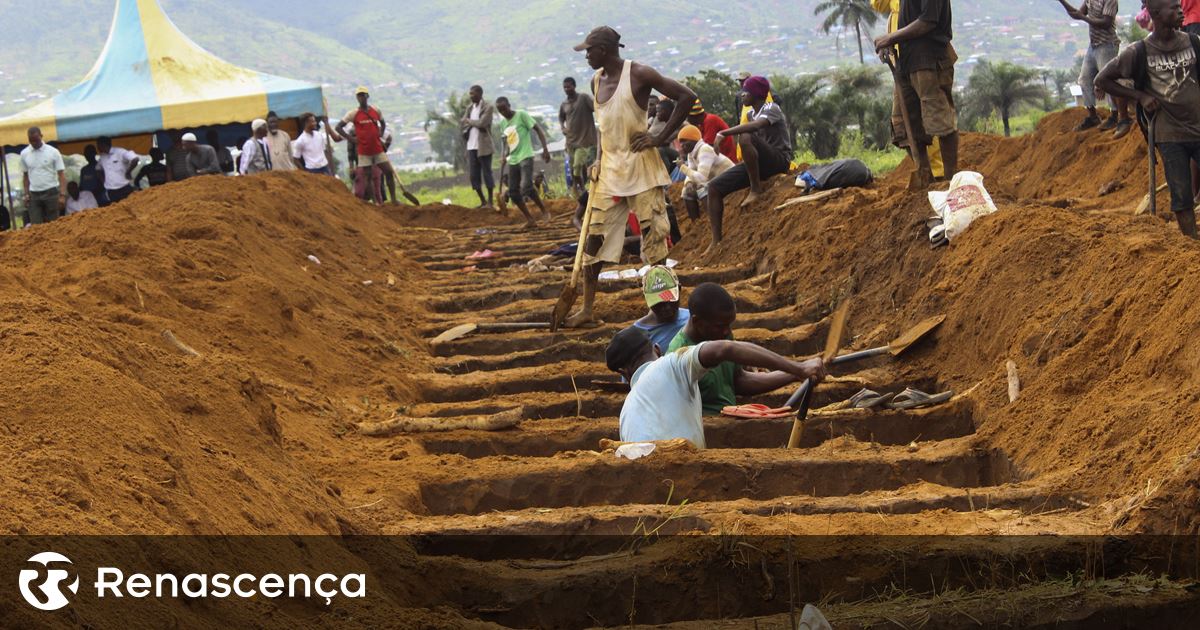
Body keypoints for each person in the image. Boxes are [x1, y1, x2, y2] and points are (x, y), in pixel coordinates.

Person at [564, 26, 698, 328]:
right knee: (594, 239)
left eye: (589, 50)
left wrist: (660, 137)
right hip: (609, 171)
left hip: (641, 167)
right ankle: (586, 309)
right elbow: (602, 128)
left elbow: (686, 97)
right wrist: (598, 158)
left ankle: (664, 308)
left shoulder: (639, 74)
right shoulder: (596, 80)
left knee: (655, 238)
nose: (586, 56)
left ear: (606, 50)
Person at [606, 325, 825, 447]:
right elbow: (725, 349)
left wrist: (796, 373)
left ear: (624, 373)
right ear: (657, 349)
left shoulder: (625, 414)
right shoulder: (670, 364)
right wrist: (798, 368)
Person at [1098, 0, 1200, 237]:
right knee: (1181, 195)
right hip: (1168, 134)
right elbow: (1102, 80)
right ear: (1155, 13)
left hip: (1198, 126)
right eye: (1173, 8)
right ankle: (1191, 247)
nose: (1179, 11)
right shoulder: (1139, 51)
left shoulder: (1193, 43)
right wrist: (1139, 96)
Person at [667, 283, 804, 416]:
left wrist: (794, 375)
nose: (726, 332)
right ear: (697, 322)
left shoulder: (721, 334)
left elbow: (739, 380)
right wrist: (796, 368)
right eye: (720, 326)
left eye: (729, 325)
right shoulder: (679, 354)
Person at [874, 0, 960, 185]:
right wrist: (892, 42)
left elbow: (928, 21)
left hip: (929, 59)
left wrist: (890, 38)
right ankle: (925, 177)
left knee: (939, 120)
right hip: (906, 60)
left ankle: (950, 181)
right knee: (905, 125)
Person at [703, 76, 792, 252]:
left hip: (779, 160)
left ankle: (755, 189)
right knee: (713, 187)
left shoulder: (771, 108)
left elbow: (754, 128)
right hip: (760, 161)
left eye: (746, 92)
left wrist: (724, 132)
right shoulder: (751, 113)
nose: (742, 95)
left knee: (746, 136)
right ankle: (715, 241)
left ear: (757, 94)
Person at [1056, 0, 1134, 138]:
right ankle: (1093, 116)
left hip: (1107, 44)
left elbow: (1106, 22)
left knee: (1109, 82)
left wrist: (1084, 18)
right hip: (1094, 45)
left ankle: (1119, 117)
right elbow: (1077, 14)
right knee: (1084, 80)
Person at [337, 86, 404, 205]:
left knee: (388, 172)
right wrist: (351, 138)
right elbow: (338, 127)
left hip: (378, 150)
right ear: (357, 98)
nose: (361, 97)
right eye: (359, 95)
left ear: (367, 96)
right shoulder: (353, 114)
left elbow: (383, 123)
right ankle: (375, 203)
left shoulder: (375, 111)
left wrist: (380, 133)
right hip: (364, 152)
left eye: (363, 95)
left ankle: (393, 200)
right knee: (368, 177)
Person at [496, 96, 553, 226]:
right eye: (500, 111)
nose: (504, 113)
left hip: (526, 155)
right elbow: (505, 142)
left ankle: (544, 211)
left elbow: (538, 129)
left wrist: (545, 148)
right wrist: (504, 155)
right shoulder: (503, 124)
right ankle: (530, 219)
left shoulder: (521, 115)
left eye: (504, 109)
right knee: (513, 192)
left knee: (526, 186)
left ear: (509, 105)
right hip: (513, 159)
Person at [677, 124, 734, 220]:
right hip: (716, 181)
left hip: (730, 180)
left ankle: (713, 218)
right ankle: (697, 223)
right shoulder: (691, 153)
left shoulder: (704, 150)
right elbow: (692, 170)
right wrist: (688, 183)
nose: (681, 145)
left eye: (684, 141)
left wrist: (682, 167)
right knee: (687, 191)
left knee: (701, 187)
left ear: (693, 140)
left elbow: (701, 178)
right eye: (680, 142)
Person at [632, 266, 691, 350]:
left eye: (671, 300)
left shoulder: (691, 319)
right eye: (659, 304)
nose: (666, 308)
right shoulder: (638, 335)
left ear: (679, 289)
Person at [19, 127, 66, 224]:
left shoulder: (53, 152)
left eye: (36, 140)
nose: (34, 143)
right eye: (31, 141)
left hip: (51, 192)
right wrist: (26, 194)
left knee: (54, 224)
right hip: (34, 195)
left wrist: (62, 195)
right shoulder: (24, 154)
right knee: (36, 225)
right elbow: (25, 176)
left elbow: (61, 175)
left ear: (41, 136)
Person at [560, 77, 598, 196]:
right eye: (565, 87)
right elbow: (561, 117)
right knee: (572, 168)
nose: (567, 89)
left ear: (574, 86)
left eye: (569, 86)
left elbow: (596, 108)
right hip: (570, 141)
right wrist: (562, 127)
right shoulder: (564, 104)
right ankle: (578, 191)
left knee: (577, 166)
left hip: (584, 140)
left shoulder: (583, 98)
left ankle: (582, 189)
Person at [462, 85, 497, 207]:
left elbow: (482, 123)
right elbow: (463, 122)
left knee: (487, 173)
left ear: (480, 94)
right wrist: (471, 122)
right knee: (473, 176)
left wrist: (470, 121)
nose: (471, 96)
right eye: (470, 94)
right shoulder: (470, 108)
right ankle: (483, 201)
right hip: (471, 146)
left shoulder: (488, 107)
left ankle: (491, 201)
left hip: (483, 146)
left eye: (473, 94)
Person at [96, 136, 140, 203]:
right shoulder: (102, 157)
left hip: (124, 188)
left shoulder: (119, 152)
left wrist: (128, 172)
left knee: (129, 208)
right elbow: (97, 169)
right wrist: (103, 181)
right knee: (117, 211)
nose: (97, 148)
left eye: (98, 145)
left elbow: (135, 159)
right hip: (111, 191)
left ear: (102, 144)